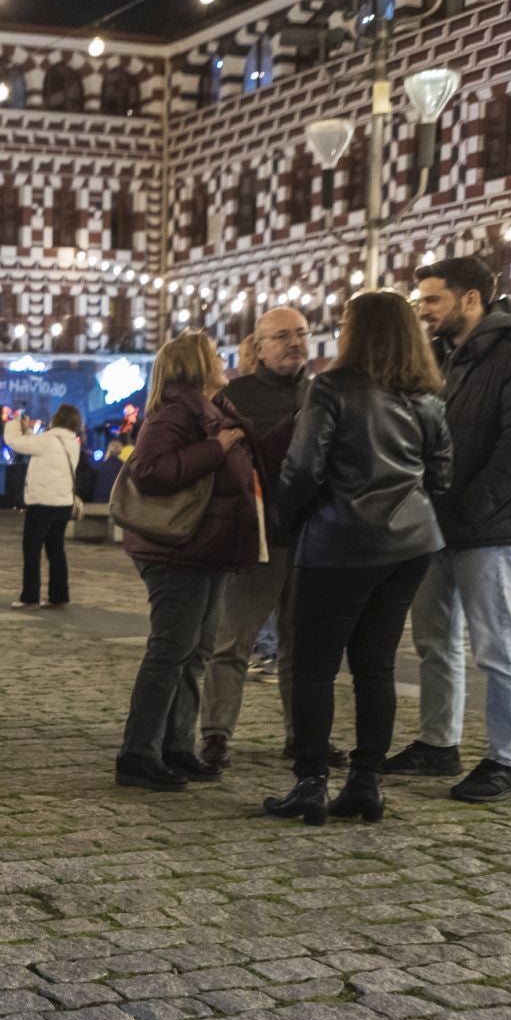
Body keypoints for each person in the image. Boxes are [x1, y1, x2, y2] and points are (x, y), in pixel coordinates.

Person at [264, 291, 453, 824]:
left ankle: (310, 782)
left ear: (356, 331)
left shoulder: (332, 387)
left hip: (340, 540)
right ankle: (366, 782)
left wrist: (290, 519)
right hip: (411, 543)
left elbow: (302, 468)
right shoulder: (428, 396)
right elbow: (441, 475)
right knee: (376, 666)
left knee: (315, 665)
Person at [391, 257, 511, 802]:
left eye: (432, 300)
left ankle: (504, 759)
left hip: (489, 527)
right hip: (437, 524)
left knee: (497, 645)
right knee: (434, 641)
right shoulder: (443, 357)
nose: (422, 310)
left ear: (471, 299)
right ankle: (438, 743)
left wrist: (471, 508)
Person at [115, 332, 266, 791]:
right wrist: (214, 449)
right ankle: (138, 753)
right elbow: (149, 469)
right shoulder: (179, 412)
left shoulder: (214, 409)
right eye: (215, 355)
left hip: (208, 547)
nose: (222, 361)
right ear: (195, 365)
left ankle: (176, 745)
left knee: (195, 651)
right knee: (170, 651)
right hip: (176, 548)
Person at [199, 306, 313, 771]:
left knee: (302, 650)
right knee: (233, 643)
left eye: (301, 334)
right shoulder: (236, 397)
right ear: (259, 347)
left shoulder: (321, 391)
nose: (294, 343)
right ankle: (215, 735)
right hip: (258, 539)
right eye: (282, 336)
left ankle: (302, 737)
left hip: (312, 538)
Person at [4, 405, 84, 609]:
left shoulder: (48, 440)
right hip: (63, 503)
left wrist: (15, 424)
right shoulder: (71, 442)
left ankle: (30, 596)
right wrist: (29, 432)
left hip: (42, 503)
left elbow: (15, 443)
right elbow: (37, 446)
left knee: (32, 551)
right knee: (56, 551)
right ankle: (59, 596)